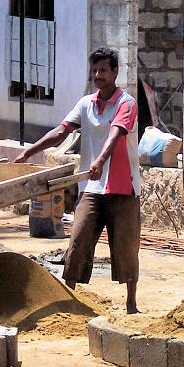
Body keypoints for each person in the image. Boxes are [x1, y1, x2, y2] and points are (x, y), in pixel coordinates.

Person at [14, 47, 142, 314]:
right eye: (95, 70)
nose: (98, 75)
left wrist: (99, 161)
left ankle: (131, 303)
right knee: (79, 240)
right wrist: (31, 150)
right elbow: (62, 131)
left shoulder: (126, 103)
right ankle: (68, 298)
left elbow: (116, 134)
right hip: (91, 187)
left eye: (103, 70)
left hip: (122, 187)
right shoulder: (86, 103)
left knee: (126, 245)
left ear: (115, 72)